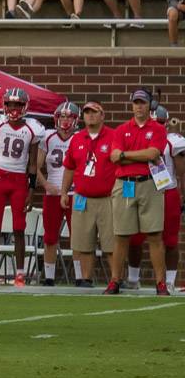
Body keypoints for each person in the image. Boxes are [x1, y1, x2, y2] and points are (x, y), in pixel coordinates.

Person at [106, 89, 171, 295]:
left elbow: (153, 153)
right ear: (132, 105)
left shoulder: (158, 129)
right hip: (125, 183)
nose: (139, 106)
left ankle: (160, 283)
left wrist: (126, 155)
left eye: (142, 102)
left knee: (154, 235)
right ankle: (115, 280)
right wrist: (136, 156)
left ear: (149, 105)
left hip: (149, 183)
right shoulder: (122, 129)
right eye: (136, 102)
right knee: (121, 235)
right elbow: (114, 157)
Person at [0, 88, 44, 287]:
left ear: (25, 106)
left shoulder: (33, 129)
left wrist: (31, 190)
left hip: (19, 180)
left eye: (17, 104)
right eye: (10, 104)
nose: (13, 108)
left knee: (19, 228)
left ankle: (20, 273)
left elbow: (33, 163)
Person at [125, 105, 184, 292]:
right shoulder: (132, 134)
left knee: (170, 239)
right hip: (140, 187)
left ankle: (169, 281)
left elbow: (181, 172)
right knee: (134, 237)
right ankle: (133, 278)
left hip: (166, 191)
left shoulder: (172, 141)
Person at [60, 101, 119, 287]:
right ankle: (86, 279)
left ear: (102, 115)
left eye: (94, 112)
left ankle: (116, 279)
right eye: (87, 113)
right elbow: (69, 168)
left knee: (111, 242)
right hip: (82, 197)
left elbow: (122, 166)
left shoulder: (113, 136)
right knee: (84, 242)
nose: (90, 116)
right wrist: (64, 192)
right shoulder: (77, 139)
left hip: (108, 197)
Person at [36, 102, 79, 285]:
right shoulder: (47, 137)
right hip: (53, 191)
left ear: (75, 119)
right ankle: (49, 277)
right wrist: (46, 185)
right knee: (50, 236)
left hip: (74, 192)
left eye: (69, 116)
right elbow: (35, 167)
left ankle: (81, 277)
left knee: (77, 237)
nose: (65, 120)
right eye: (62, 116)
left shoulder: (80, 138)